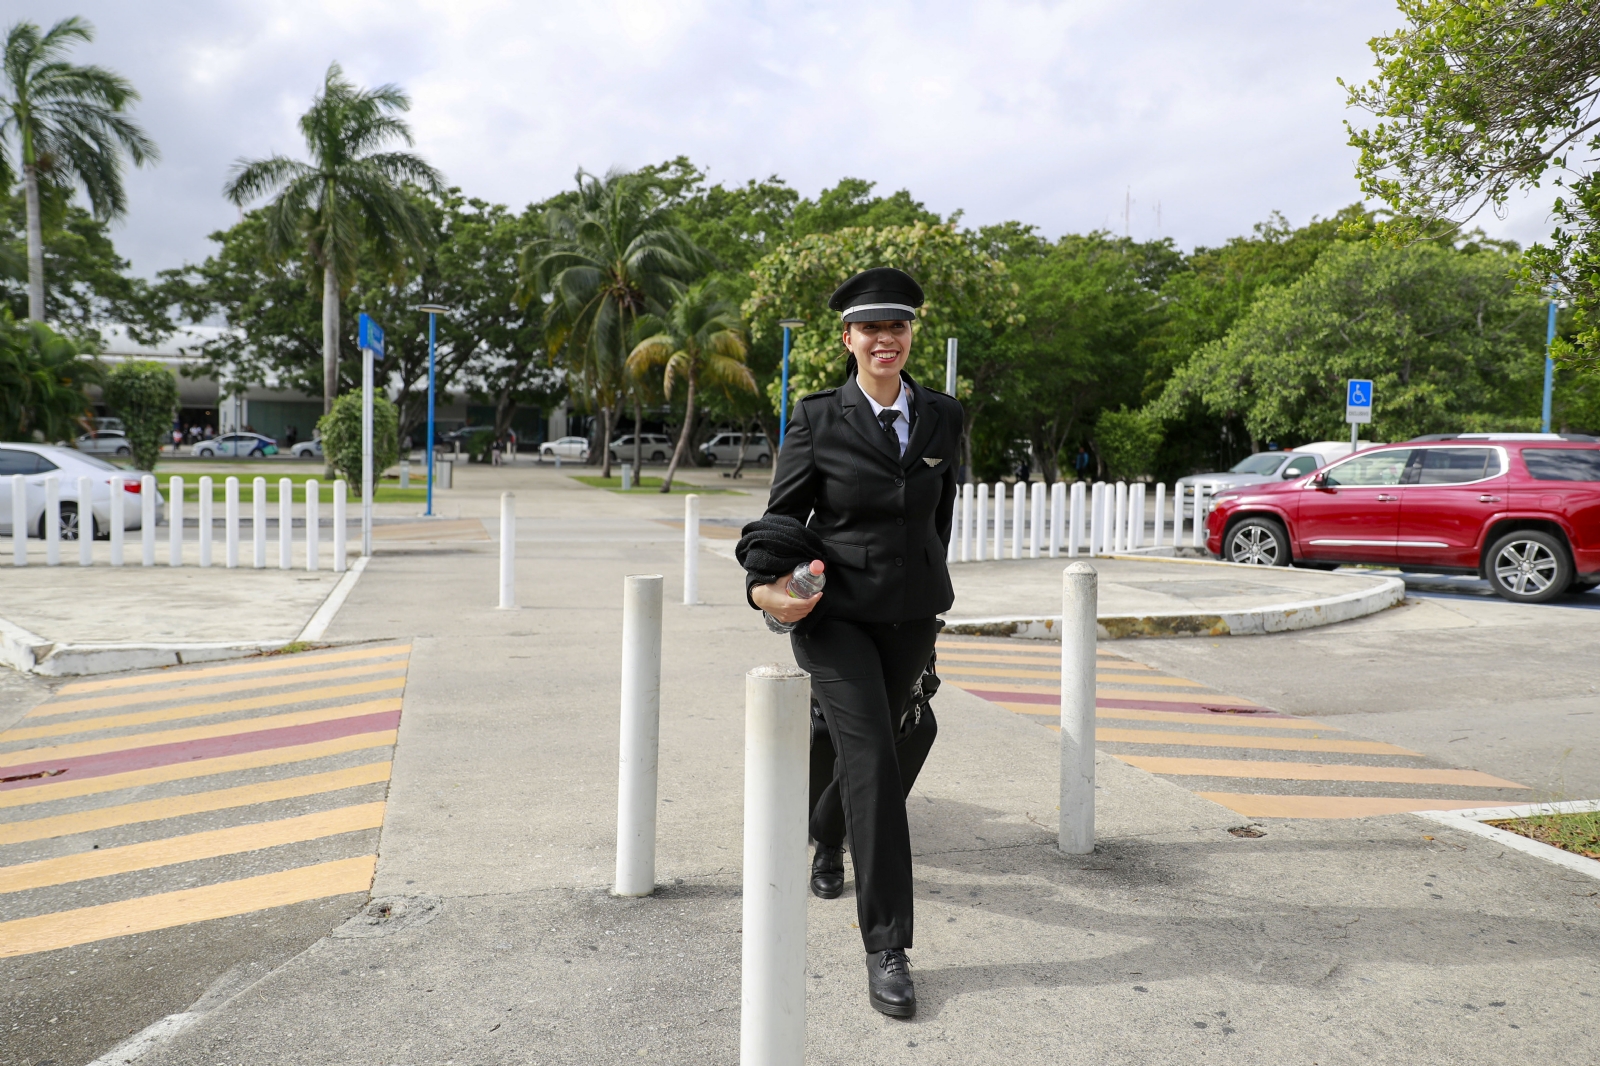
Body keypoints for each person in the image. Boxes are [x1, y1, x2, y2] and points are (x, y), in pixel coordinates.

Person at [746, 266, 961, 1020]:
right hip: (836, 618)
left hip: (911, 618)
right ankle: (888, 947)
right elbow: (778, 525)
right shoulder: (816, 419)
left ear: (910, 335)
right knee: (868, 755)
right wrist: (769, 592)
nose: (885, 339)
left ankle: (828, 839)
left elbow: (938, 519)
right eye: (870, 328)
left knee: (895, 736)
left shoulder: (943, 416)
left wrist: (929, 595)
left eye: (897, 326)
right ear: (848, 339)